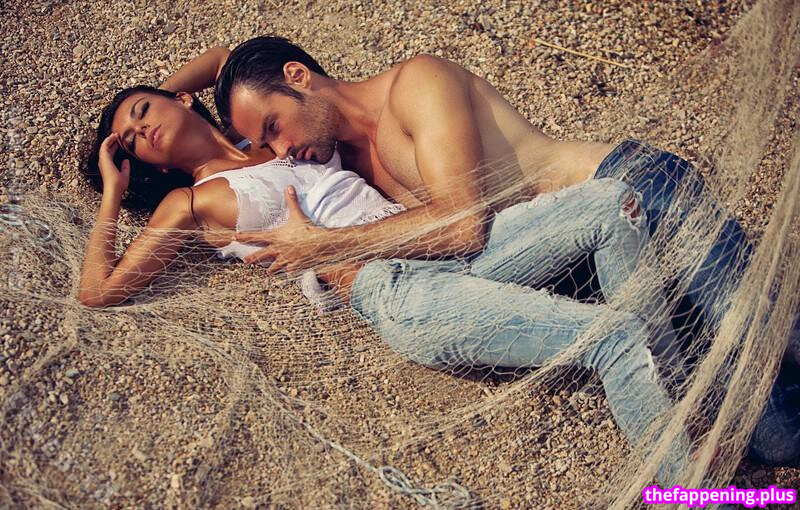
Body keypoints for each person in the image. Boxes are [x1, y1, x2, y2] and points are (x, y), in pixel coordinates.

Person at [213, 36, 800, 468]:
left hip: (638, 190)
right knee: (772, 439)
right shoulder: (353, 167)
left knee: (774, 350)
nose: (280, 150)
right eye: (264, 144)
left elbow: (463, 224)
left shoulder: (415, 83)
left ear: (299, 75)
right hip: (593, 262)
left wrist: (324, 246)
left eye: (274, 127)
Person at [77, 84, 407, 309]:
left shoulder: (258, 129)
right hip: (377, 278)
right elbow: (97, 291)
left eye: (144, 111)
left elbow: (222, 58)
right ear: (156, 167)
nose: (142, 130)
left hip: (410, 228)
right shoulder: (186, 202)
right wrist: (113, 191)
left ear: (184, 98)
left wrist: (165, 91)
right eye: (132, 142)